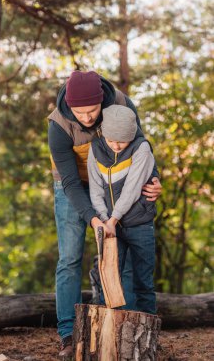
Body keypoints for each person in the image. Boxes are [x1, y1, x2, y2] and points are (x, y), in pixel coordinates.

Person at [48, 70, 161, 358]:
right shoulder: (58, 125)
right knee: (69, 258)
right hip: (71, 185)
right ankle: (68, 334)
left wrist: (154, 179)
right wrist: (93, 217)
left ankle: (130, 330)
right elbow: (72, 182)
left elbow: (141, 143)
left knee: (121, 261)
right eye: (79, 112)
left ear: (102, 101)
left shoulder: (121, 103)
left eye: (92, 111)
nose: (86, 118)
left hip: (116, 185)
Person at [88, 104, 157, 314]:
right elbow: (95, 188)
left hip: (140, 225)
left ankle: (146, 339)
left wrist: (114, 218)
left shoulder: (141, 148)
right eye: (111, 141)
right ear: (103, 134)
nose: (117, 146)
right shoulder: (96, 148)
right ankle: (107, 334)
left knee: (143, 282)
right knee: (108, 278)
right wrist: (103, 220)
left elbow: (132, 189)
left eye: (122, 141)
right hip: (108, 225)